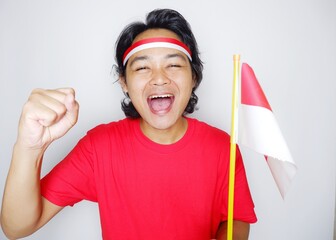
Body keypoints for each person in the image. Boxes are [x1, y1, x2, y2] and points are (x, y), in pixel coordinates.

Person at [1, 8, 257, 240]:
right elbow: (17, 227)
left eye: (174, 64)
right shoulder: (99, 147)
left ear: (194, 77)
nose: (159, 78)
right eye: (143, 67)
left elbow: (236, 216)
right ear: (124, 82)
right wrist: (29, 148)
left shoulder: (223, 146)